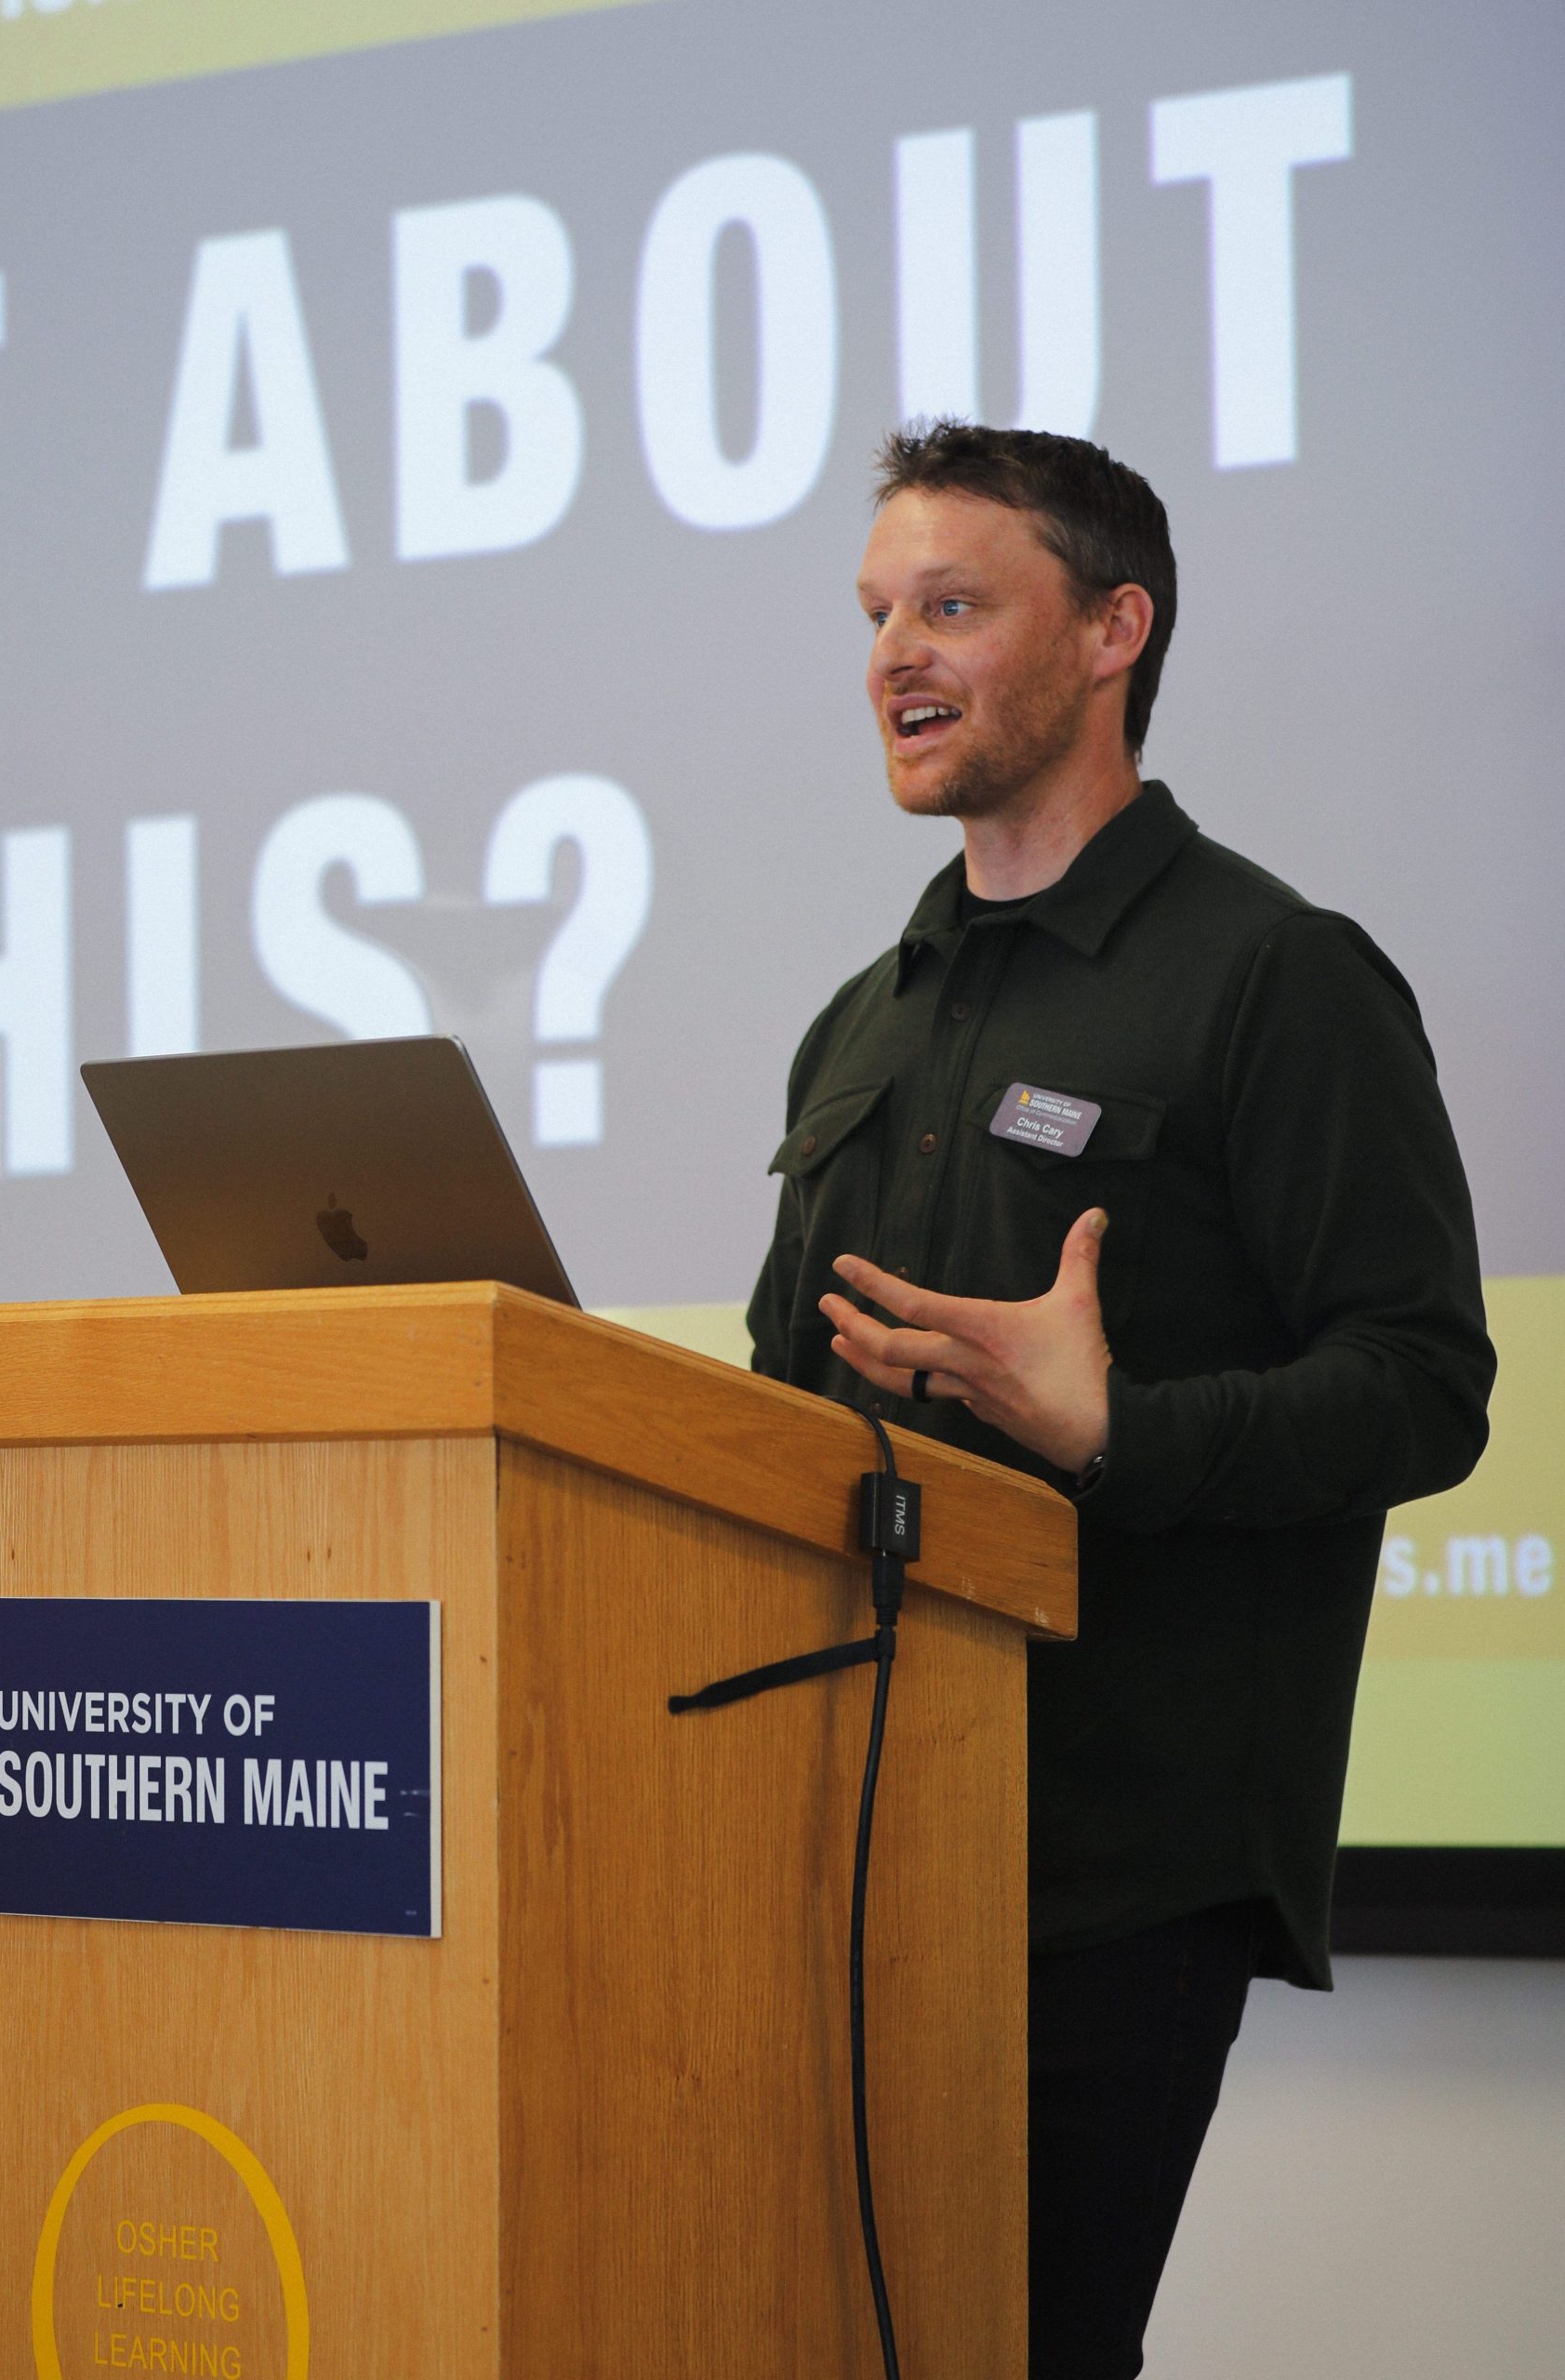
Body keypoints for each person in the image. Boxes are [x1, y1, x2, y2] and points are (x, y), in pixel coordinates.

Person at [745, 421, 1494, 2379]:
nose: (895, 655)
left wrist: (1115, 1432)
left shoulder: (1277, 978)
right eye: (877, 613)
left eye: (952, 605)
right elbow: (776, 1407)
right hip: (840, 1847)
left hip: (1110, 1874)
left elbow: (1425, 1388)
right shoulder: (865, 1018)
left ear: (1112, 631)